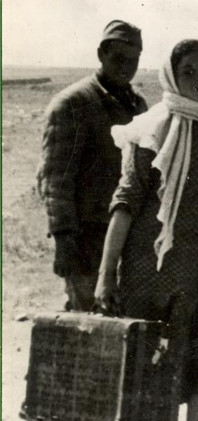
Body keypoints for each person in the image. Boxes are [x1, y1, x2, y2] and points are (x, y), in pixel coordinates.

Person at [95, 40, 198, 421]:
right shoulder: (154, 129)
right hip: (147, 264)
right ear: (173, 78)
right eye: (188, 71)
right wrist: (106, 276)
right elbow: (125, 204)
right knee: (147, 361)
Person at [36, 20, 147, 312]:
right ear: (101, 53)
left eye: (133, 60)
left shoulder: (137, 107)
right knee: (88, 329)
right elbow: (55, 180)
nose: (126, 67)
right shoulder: (72, 104)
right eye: (118, 59)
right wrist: (63, 239)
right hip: (84, 240)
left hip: (127, 240)